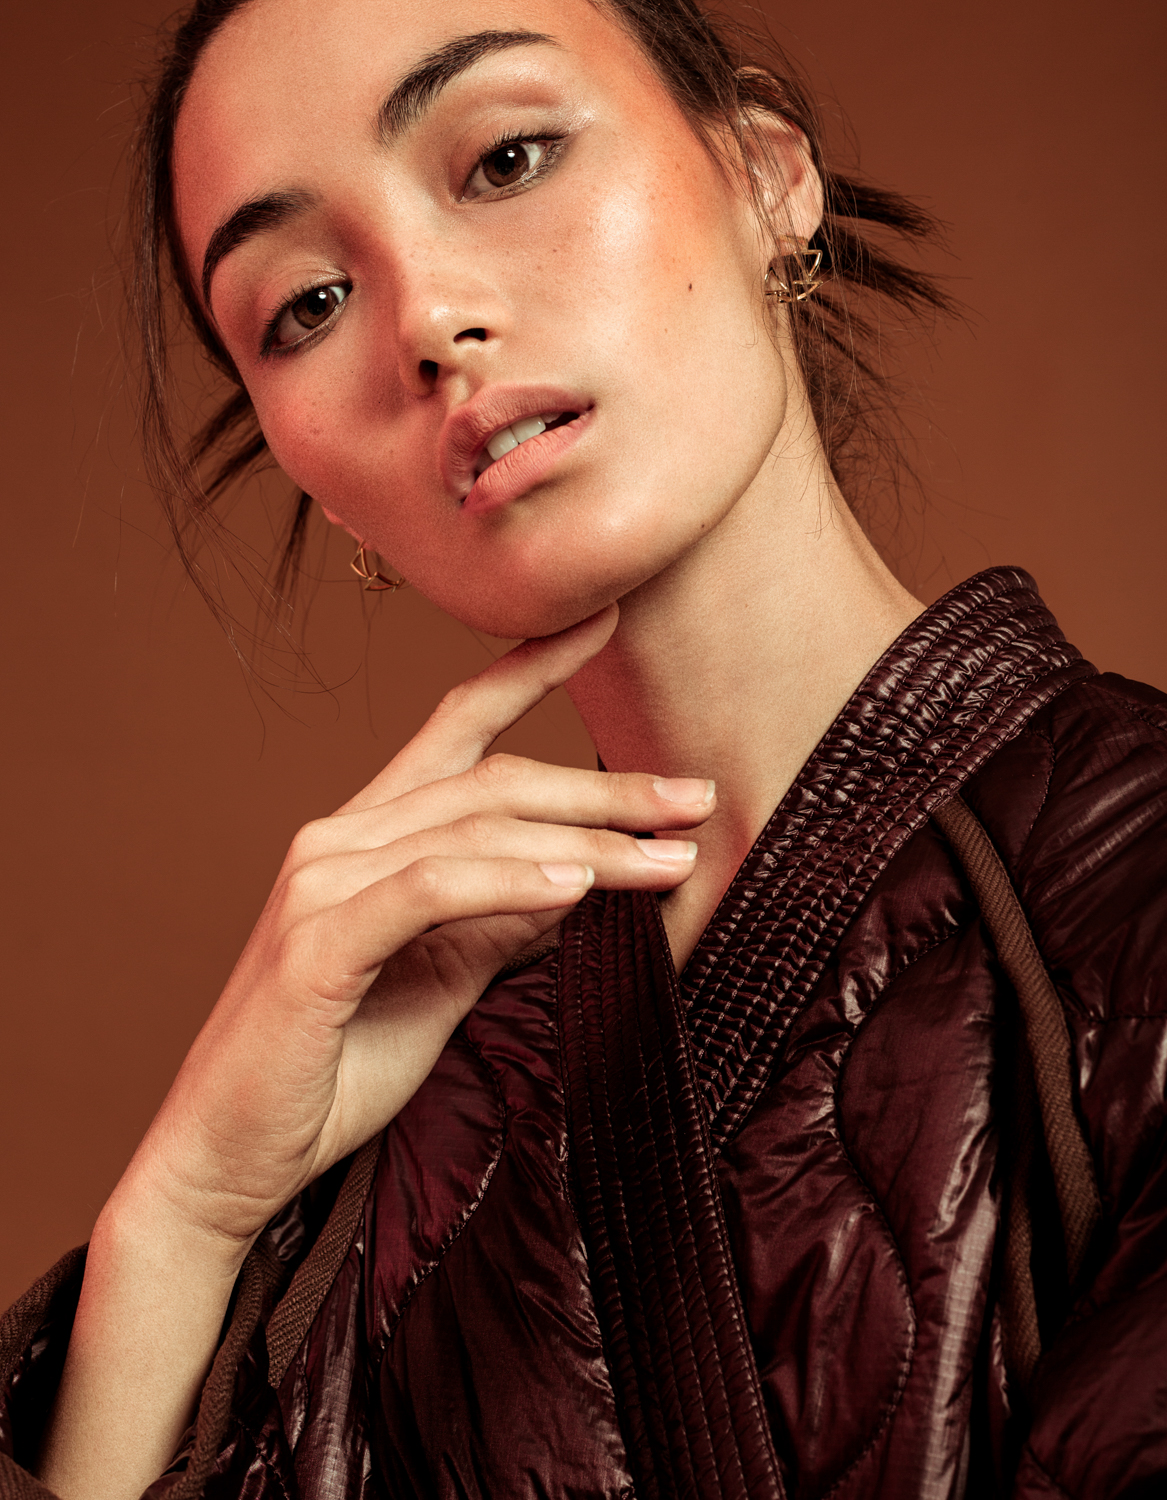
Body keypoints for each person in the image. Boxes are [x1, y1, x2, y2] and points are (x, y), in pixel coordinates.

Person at [1, 0, 1164, 1496]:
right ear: (315, 478)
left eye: (507, 159)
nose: (426, 322)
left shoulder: (1123, 892)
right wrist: (186, 1213)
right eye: (307, 304)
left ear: (767, 179)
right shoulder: (375, 1109)